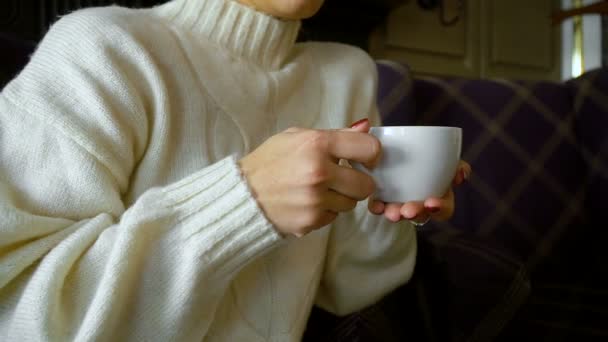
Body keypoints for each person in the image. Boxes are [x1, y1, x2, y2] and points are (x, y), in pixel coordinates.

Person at [0, 0, 471, 340]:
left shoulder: (346, 71)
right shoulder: (103, 47)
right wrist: (242, 204)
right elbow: (16, 314)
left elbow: (351, 289)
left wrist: (390, 203)